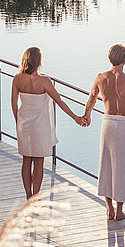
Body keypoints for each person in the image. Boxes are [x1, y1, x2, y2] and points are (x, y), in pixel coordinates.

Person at [11, 47, 84, 199]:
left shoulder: (17, 79)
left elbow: (13, 104)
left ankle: (28, 195)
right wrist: (75, 117)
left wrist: (18, 121)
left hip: (23, 124)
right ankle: (35, 198)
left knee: (26, 160)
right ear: (39, 62)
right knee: (38, 163)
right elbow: (59, 101)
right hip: (40, 127)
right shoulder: (44, 81)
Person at [83, 44, 125, 220]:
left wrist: (87, 115)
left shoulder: (101, 78)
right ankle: (119, 210)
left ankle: (108, 208)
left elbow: (91, 99)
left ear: (109, 59)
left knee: (107, 165)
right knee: (123, 168)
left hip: (108, 123)